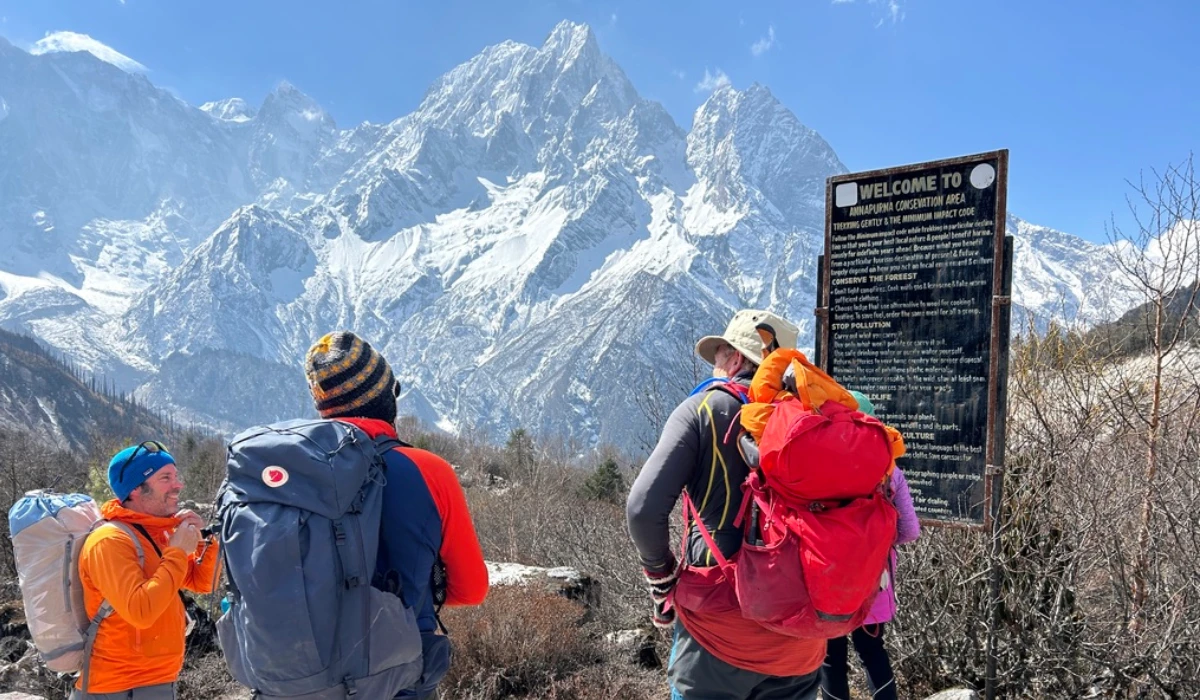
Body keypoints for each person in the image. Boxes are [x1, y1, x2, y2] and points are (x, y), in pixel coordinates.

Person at [626, 309, 826, 700]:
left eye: (719, 356)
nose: (717, 366)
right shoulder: (816, 417)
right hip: (802, 639)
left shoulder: (705, 409)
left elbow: (642, 509)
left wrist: (661, 578)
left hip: (718, 636)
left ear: (735, 359)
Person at [304, 331, 490, 698]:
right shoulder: (426, 469)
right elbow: (470, 590)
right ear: (385, 396)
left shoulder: (286, 473)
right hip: (395, 676)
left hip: (299, 676)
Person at [74, 441, 220, 699]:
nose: (178, 485)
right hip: (116, 688)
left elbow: (202, 584)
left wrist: (204, 542)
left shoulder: (157, 533)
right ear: (135, 490)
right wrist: (176, 552)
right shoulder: (109, 541)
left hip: (157, 680)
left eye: (176, 476)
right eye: (166, 478)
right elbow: (140, 611)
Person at [819, 391, 921, 700]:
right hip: (873, 579)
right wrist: (880, 547)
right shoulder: (890, 471)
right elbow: (910, 530)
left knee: (830, 657)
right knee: (872, 651)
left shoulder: (817, 468)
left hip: (827, 579)